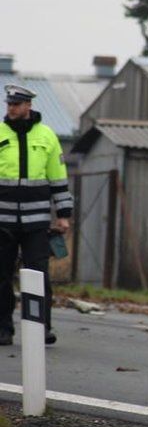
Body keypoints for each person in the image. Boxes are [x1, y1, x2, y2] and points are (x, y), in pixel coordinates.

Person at [0, 84, 73, 346]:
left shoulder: (47, 136)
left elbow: (58, 178)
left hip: (36, 223)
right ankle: (3, 329)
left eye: (16, 105)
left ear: (28, 106)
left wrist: (64, 215)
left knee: (38, 276)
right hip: (3, 222)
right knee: (2, 276)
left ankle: (41, 328)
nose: (11, 108)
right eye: (9, 104)